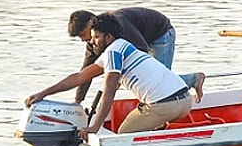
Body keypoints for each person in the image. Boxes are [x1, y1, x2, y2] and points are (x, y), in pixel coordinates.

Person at [26, 13, 205, 138]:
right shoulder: (124, 46)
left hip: (165, 106)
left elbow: (109, 91)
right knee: (141, 123)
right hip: (184, 102)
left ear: (109, 37)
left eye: (95, 37)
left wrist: (94, 127)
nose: (92, 42)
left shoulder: (113, 53)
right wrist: (44, 93)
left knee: (123, 135)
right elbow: (80, 77)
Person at [67, 8, 200, 103]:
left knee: (158, 81)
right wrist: (78, 101)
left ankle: (193, 79)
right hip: (143, 38)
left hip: (160, 33)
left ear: (91, 25)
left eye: (82, 34)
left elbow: (142, 50)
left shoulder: (119, 24)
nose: (83, 40)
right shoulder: (94, 40)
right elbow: (86, 70)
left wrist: (117, 77)